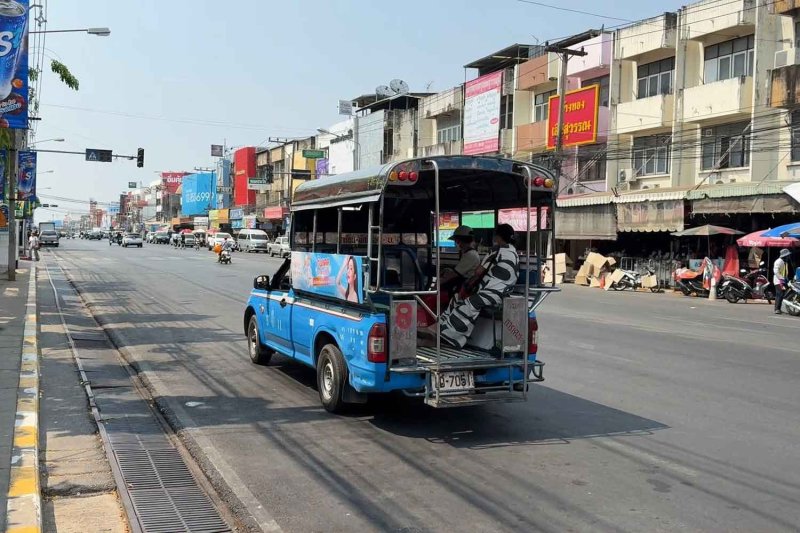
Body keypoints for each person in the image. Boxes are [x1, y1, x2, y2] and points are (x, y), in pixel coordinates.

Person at [434, 223, 519, 349]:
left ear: (498, 237)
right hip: (503, 291)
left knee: (469, 303)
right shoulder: (514, 252)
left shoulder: (497, 249)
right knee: (457, 298)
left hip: (493, 292)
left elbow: (479, 272)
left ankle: (451, 337)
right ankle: (441, 327)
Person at [439, 225, 481, 296]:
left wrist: (437, 285)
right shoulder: (469, 253)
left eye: (457, 241)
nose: (457, 244)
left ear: (461, 241)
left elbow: (454, 274)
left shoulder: (470, 255)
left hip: (463, 288)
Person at [773, 248, 792, 314]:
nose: (789, 256)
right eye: (788, 255)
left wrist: (786, 279)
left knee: (782, 294)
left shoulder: (785, 262)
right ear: (785, 255)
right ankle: (777, 309)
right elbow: (776, 271)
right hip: (778, 281)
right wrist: (781, 279)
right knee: (779, 294)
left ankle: (779, 308)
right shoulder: (778, 261)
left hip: (783, 280)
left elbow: (785, 272)